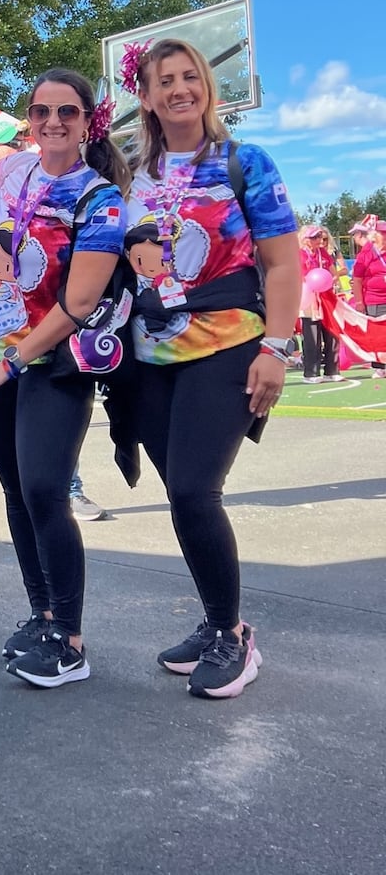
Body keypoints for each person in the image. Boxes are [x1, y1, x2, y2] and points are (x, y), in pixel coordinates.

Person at [123, 37, 299, 699]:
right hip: (148, 359)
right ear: (145, 96)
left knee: (196, 490)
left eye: (188, 75)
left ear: (206, 87)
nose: (178, 88)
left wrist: (275, 350)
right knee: (183, 497)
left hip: (228, 345)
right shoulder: (131, 174)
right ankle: (215, 618)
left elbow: (283, 264)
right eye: (163, 79)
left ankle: (233, 635)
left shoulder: (243, 163)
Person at [0, 65, 128, 688]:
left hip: (51, 364)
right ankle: (43, 614)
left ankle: (71, 641)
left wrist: (13, 362)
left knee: (47, 492)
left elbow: (79, 303)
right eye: (41, 113)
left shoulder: (101, 199)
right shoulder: (11, 172)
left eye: (67, 113)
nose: (52, 123)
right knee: (16, 492)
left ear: (87, 123)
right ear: (28, 122)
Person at [298, 225, 345, 383]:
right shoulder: (300, 255)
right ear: (306, 240)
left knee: (331, 333)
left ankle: (332, 370)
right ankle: (311, 373)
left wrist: (332, 279)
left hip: (327, 298)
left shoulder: (323, 253)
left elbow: (333, 272)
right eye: (315, 237)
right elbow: (300, 276)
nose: (319, 240)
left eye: (320, 236)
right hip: (309, 299)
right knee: (312, 337)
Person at [351, 219, 386, 377]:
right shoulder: (365, 254)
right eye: (382, 233)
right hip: (374, 299)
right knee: (377, 333)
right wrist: (359, 302)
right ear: (375, 235)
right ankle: (379, 366)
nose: (384, 236)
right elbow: (357, 280)